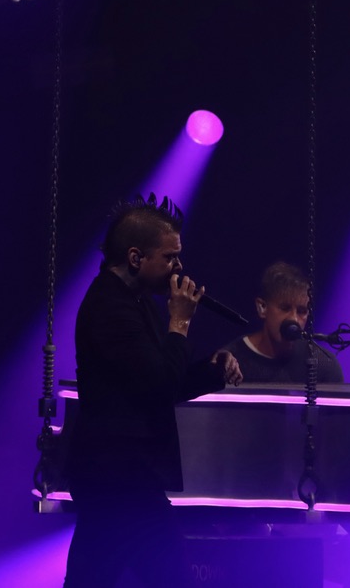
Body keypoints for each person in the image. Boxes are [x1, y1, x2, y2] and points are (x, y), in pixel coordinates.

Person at [63, 193, 243, 588]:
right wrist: (179, 323)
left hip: (125, 475)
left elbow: (162, 380)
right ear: (135, 257)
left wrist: (213, 372)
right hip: (116, 476)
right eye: (170, 257)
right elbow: (158, 384)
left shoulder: (135, 301)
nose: (178, 267)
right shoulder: (109, 307)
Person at [220, 261, 344, 384]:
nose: (294, 319)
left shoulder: (324, 365)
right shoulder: (230, 362)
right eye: (285, 308)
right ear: (262, 308)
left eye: (301, 311)